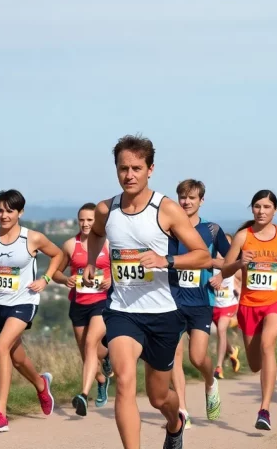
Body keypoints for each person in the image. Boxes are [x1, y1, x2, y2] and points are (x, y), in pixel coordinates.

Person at [82, 134, 212, 449]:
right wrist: (90, 262)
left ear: (150, 169)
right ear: (116, 169)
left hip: (163, 313)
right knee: (125, 383)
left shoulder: (166, 209)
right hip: (123, 311)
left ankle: (175, 422)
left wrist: (165, 260)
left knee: (158, 396)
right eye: (123, 168)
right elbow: (96, 234)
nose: (129, 175)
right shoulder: (106, 209)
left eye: (137, 168)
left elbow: (202, 255)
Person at [0, 189, 64, 432]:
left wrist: (46, 280)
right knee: (17, 358)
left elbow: (58, 254)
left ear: (20, 212)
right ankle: (41, 385)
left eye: (10, 211)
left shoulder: (32, 238)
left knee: (1, 347)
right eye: (0, 210)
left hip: (24, 302)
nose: (4, 215)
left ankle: (0, 413)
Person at [217, 190, 277, 431]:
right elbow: (225, 271)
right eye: (257, 206)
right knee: (255, 363)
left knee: (268, 344)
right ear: (252, 209)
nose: (261, 211)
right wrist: (239, 263)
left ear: (275, 210)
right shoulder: (242, 237)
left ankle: (264, 409)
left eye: (267, 207)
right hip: (248, 305)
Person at [169, 179, 229, 428]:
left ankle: (211, 380)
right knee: (175, 356)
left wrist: (220, 272)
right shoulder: (167, 228)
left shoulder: (212, 230)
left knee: (197, 356)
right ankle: (182, 410)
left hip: (201, 301)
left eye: (192, 197)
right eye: (182, 197)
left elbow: (229, 260)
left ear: (201, 200)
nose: (186, 201)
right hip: (172, 300)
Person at [52, 202, 113, 416]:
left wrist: (111, 279)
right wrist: (65, 279)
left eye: (90, 220)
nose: (86, 224)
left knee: (90, 343)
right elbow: (55, 272)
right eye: (82, 220)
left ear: (97, 221)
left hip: (102, 302)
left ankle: (83, 395)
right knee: (88, 353)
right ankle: (102, 377)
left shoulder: (108, 243)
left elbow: (120, 269)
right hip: (79, 304)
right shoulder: (70, 245)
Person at [211, 233, 241, 379]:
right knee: (220, 334)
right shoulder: (209, 265)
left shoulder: (233, 267)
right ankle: (231, 351)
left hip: (229, 305)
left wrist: (239, 292)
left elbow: (244, 281)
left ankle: (219, 367)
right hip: (213, 306)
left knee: (221, 330)